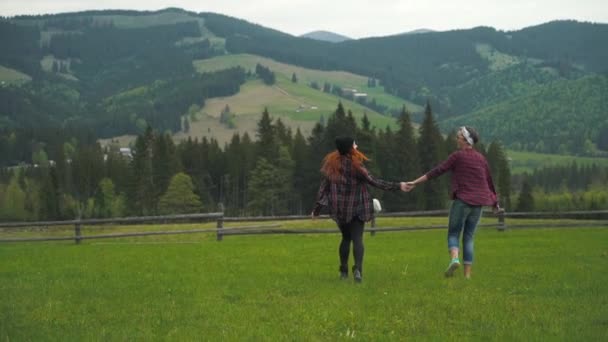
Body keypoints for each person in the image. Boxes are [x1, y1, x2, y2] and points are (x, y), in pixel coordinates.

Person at [404, 126, 501, 279]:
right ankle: (467, 276)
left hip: (462, 201)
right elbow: (489, 182)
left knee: (453, 234)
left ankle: (455, 259)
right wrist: (495, 202)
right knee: (469, 237)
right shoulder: (482, 159)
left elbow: (437, 171)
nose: (456, 139)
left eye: (458, 137)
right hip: (478, 204)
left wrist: (415, 182)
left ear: (465, 139)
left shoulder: (457, 156)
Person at [312, 136, 407, 283]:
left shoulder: (331, 166)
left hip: (340, 209)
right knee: (357, 239)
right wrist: (397, 186)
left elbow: (323, 190)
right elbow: (374, 181)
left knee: (345, 238)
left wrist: (317, 210)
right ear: (350, 148)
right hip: (358, 208)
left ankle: (343, 271)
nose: (356, 146)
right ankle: (358, 269)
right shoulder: (356, 166)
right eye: (354, 144)